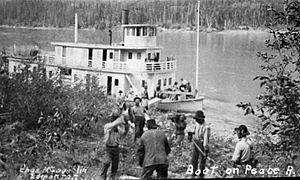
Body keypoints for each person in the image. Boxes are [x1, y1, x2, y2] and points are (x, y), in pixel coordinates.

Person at [100, 110, 129, 180]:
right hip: (108, 147)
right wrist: (119, 121)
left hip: (116, 148)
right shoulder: (107, 125)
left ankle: (112, 177)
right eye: (112, 117)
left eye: (114, 117)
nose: (112, 118)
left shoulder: (119, 127)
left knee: (115, 165)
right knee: (106, 162)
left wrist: (126, 125)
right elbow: (110, 127)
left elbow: (123, 133)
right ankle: (102, 177)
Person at [187, 110, 210, 179]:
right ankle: (194, 173)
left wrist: (205, 151)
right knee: (194, 159)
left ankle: (201, 176)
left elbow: (206, 140)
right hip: (196, 142)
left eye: (197, 119)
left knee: (202, 162)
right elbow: (195, 131)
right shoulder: (197, 124)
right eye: (196, 119)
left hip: (202, 144)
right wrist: (191, 134)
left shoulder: (206, 127)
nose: (196, 120)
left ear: (202, 119)